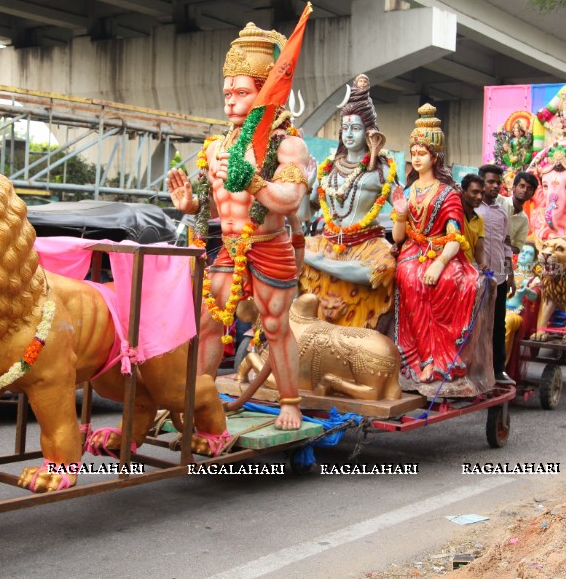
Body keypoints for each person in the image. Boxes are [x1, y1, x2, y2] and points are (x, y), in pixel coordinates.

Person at [166, 22, 310, 430]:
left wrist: (254, 181)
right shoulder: (217, 146)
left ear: (266, 93)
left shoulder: (286, 145)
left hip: (268, 244)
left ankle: (290, 402)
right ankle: (201, 396)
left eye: (241, 92)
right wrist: (191, 203)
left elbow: (290, 200)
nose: (230, 102)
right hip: (227, 247)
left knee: (276, 325)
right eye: (227, 93)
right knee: (210, 322)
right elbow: (210, 203)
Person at [299, 75, 398, 331]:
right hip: (328, 241)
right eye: (345, 128)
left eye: (356, 127)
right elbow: (303, 215)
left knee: (384, 268)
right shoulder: (327, 169)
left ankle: (323, 264)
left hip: (366, 245)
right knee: (289, 252)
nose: (349, 134)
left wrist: (404, 210)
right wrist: (306, 183)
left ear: (369, 132)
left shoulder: (382, 170)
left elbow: (401, 211)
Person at [390, 104, 479, 384]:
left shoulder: (448, 194)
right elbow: (398, 237)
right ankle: (419, 360)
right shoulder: (409, 190)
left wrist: (440, 264)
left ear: (435, 157)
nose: (416, 159)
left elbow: (456, 238)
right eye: (413, 154)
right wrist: (401, 213)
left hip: (445, 253)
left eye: (422, 154)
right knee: (410, 278)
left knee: (449, 281)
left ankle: (443, 359)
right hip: (413, 252)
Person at [477, 163, 515, 386]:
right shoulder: (473, 210)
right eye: (490, 181)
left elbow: (507, 246)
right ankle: (475, 369)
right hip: (477, 277)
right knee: (476, 324)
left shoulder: (502, 212)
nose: (495, 186)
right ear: (481, 182)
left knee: (498, 323)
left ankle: (498, 370)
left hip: (499, 277)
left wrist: (509, 276)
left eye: (498, 182)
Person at [498, 170, 538, 258]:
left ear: (532, 194)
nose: (525, 190)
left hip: (500, 259)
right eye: (522, 186)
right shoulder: (499, 201)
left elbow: (518, 248)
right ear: (514, 187)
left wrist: (506, 246)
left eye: (529, 188)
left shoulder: (524, 220)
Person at [459, 174, 485, 269]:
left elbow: (479, 249)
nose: (479, 197)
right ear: (463, 192)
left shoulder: (479, 220)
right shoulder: (454, 214)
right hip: (449, 269)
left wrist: (484, 268)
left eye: (482, 193)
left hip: (467, 270)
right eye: (475, 192)